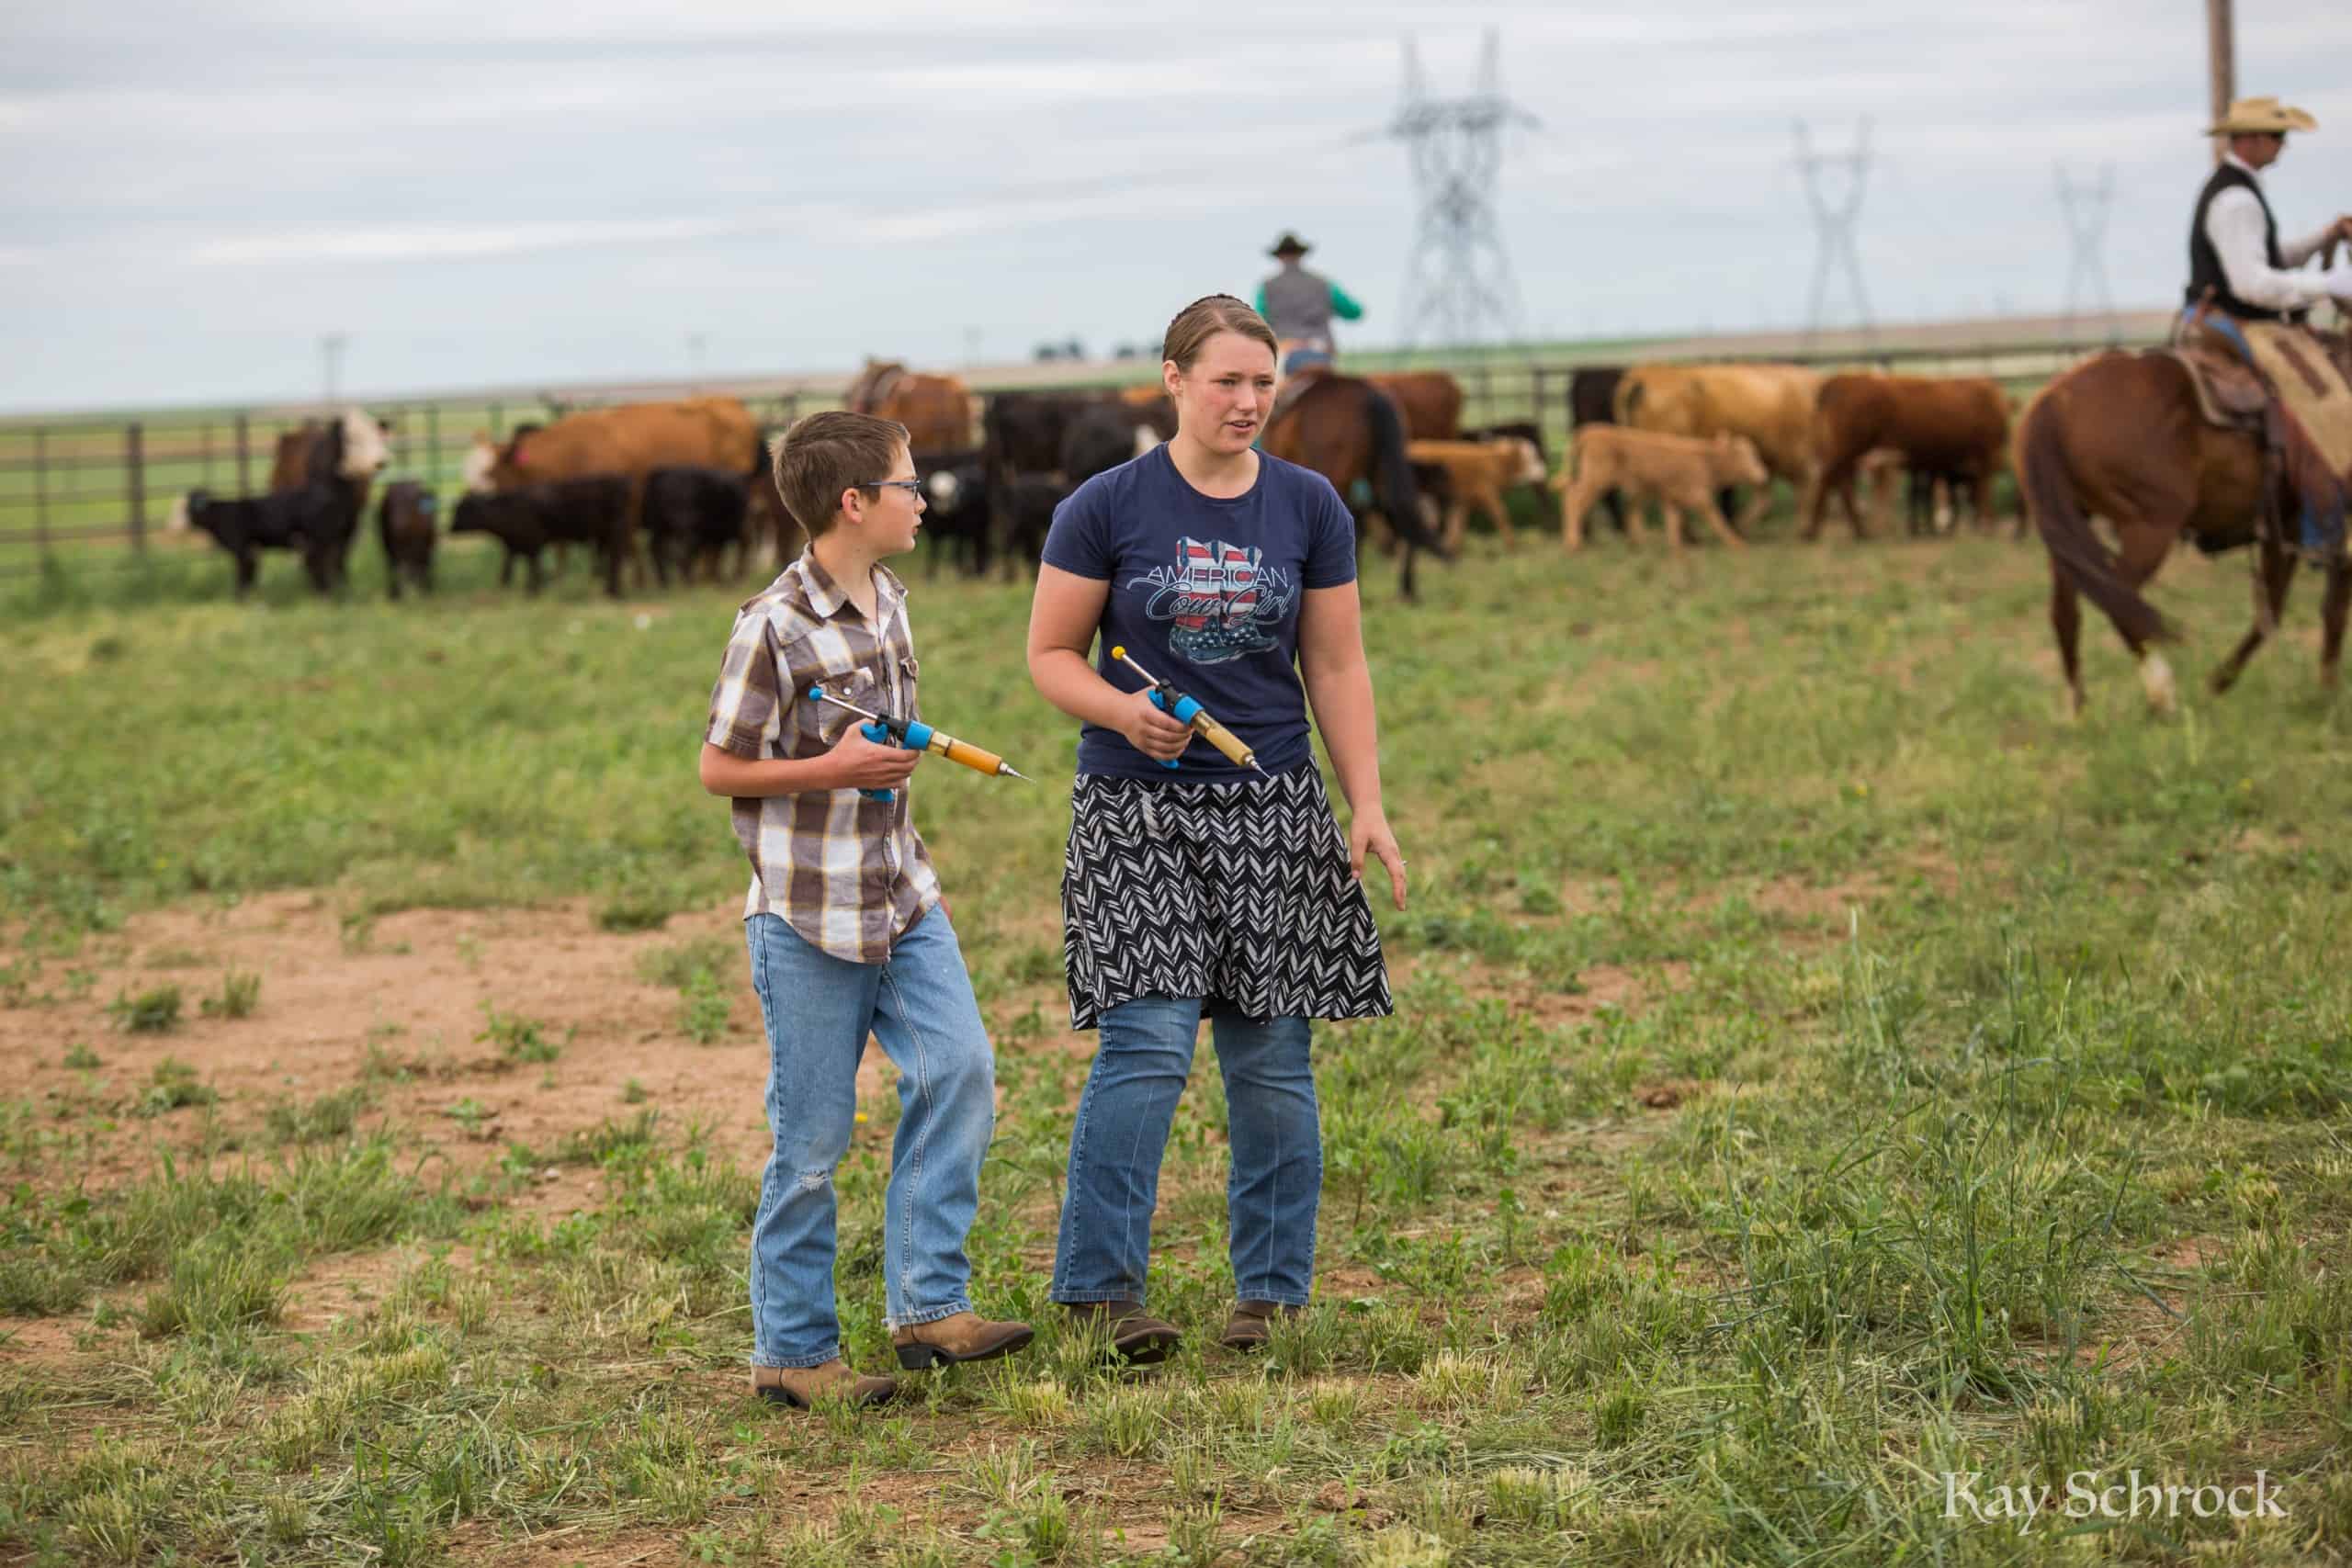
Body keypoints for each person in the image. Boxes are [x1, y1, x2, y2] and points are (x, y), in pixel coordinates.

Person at [1025, 294, 1408, 1362]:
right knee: (1144, 1047)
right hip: (1132, 807)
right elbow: (1052, 654)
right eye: (1226, 380)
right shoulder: (1105, 505)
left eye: (1262, 381)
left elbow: (1333, 663)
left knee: (1271, 1058)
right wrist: (1121, 710)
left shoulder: (1309, 506)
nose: (1247, 401)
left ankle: (1269, 1296)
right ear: (1174, 381)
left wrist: (1364, 801)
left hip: (1273, 805)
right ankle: (1103, 1296)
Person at [699, 410, 1032, 1410]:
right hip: (808, 918)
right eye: (907, 485)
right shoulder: (771, 626)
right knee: (811, 1141)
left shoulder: (888, 598)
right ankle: (793, 1356)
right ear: (855, 503)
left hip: (901, 895)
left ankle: (930, 1304)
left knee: (961, 1067)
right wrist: (832, 766)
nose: (924, 500)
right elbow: (718, 767)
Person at [2182, 96, 2352, 558]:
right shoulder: (2238, 200)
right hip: (2236, 319)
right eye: (2279, 137)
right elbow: (2253, 284)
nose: (2283, 146)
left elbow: (2268, 258)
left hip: (2222, 313)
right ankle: (2320, 530)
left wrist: (2324, 238)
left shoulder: (2237, 190)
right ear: (2252, 139)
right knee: (2322, 398)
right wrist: (2328, 282)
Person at [1256, 232, 1364, 376]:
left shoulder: (1266, 287)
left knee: (1274, 393)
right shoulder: (1323, 283)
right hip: (1320, 348)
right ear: (1301, 255)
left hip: (1285, 350)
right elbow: (1355, 312)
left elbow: (1257, 321)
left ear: (1279, 257)